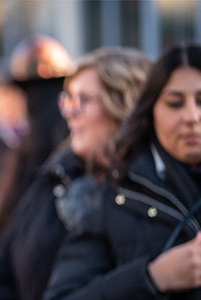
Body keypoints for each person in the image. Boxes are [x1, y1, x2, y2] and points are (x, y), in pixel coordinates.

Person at [0, 47, 152, 300]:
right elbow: (3, 273)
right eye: (68, 99)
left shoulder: (153, 191)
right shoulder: (55, 174)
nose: (69, 111)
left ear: (124, 105)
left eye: (83, 100)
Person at [44, 44, 201, 299]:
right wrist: (152, 277)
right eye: (175, 103)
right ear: (151, 110)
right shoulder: (113, 194)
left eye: (83, 99)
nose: (192, 116)